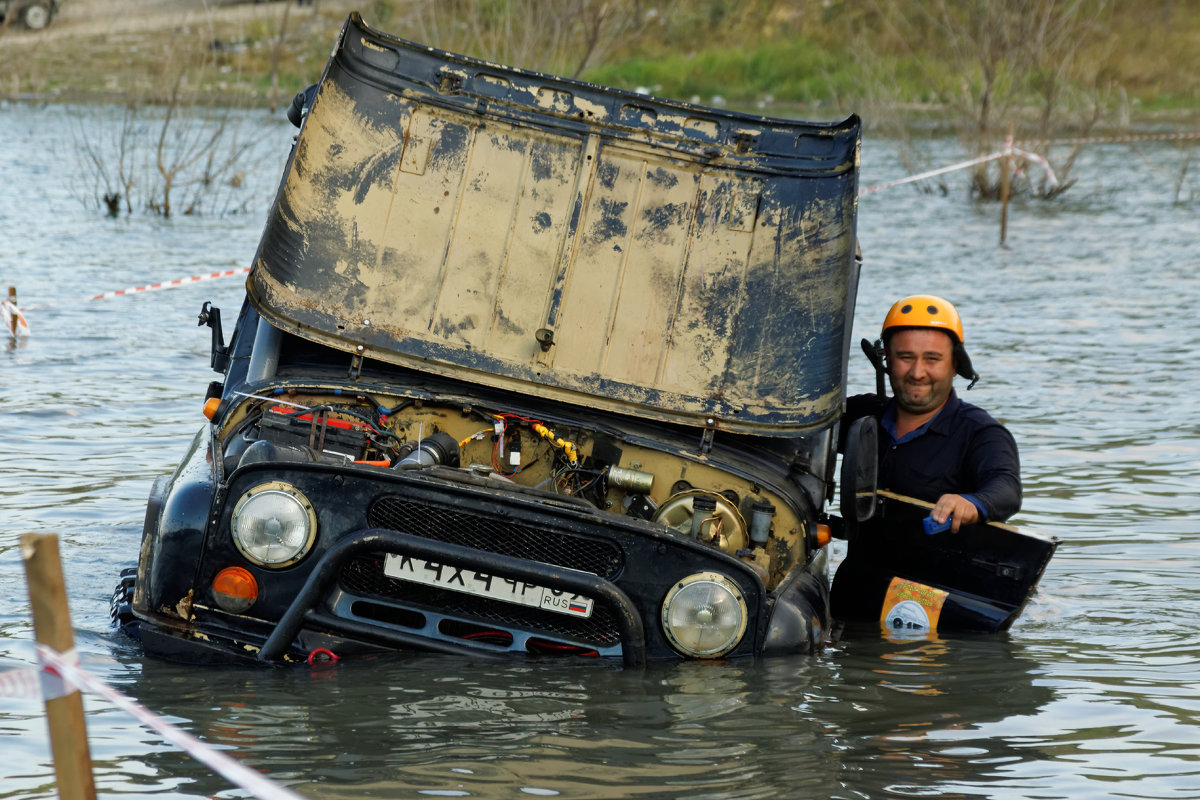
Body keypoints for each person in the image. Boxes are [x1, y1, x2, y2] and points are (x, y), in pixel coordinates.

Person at [845, 294, 1021, 531]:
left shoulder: (980, 432)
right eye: (905, 357)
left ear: (955, 365)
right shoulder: (861, 415)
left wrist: (973, 503)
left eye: (932, 359)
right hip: (860, 567)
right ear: (886, 358)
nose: (917, 372)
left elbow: (1006, 489)